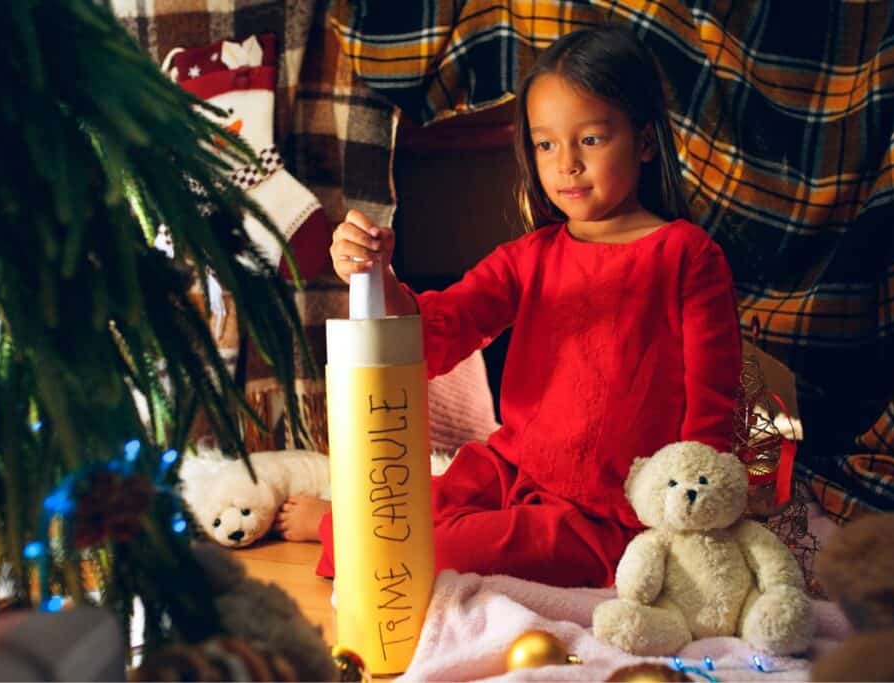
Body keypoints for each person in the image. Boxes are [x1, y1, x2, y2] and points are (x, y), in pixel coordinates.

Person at [274, 23, 742, 588]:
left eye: (591, 139)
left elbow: (712, 406)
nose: (565, 163)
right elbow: (436, 337)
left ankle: (336, 529)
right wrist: (378, 275)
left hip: (600, 515)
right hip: (509, 468)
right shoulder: (531, 255)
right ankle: (347, 525)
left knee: (424, 553)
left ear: (644, 142)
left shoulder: (686, 254)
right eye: (546, 144)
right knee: (400, 511)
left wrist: (695, 519)